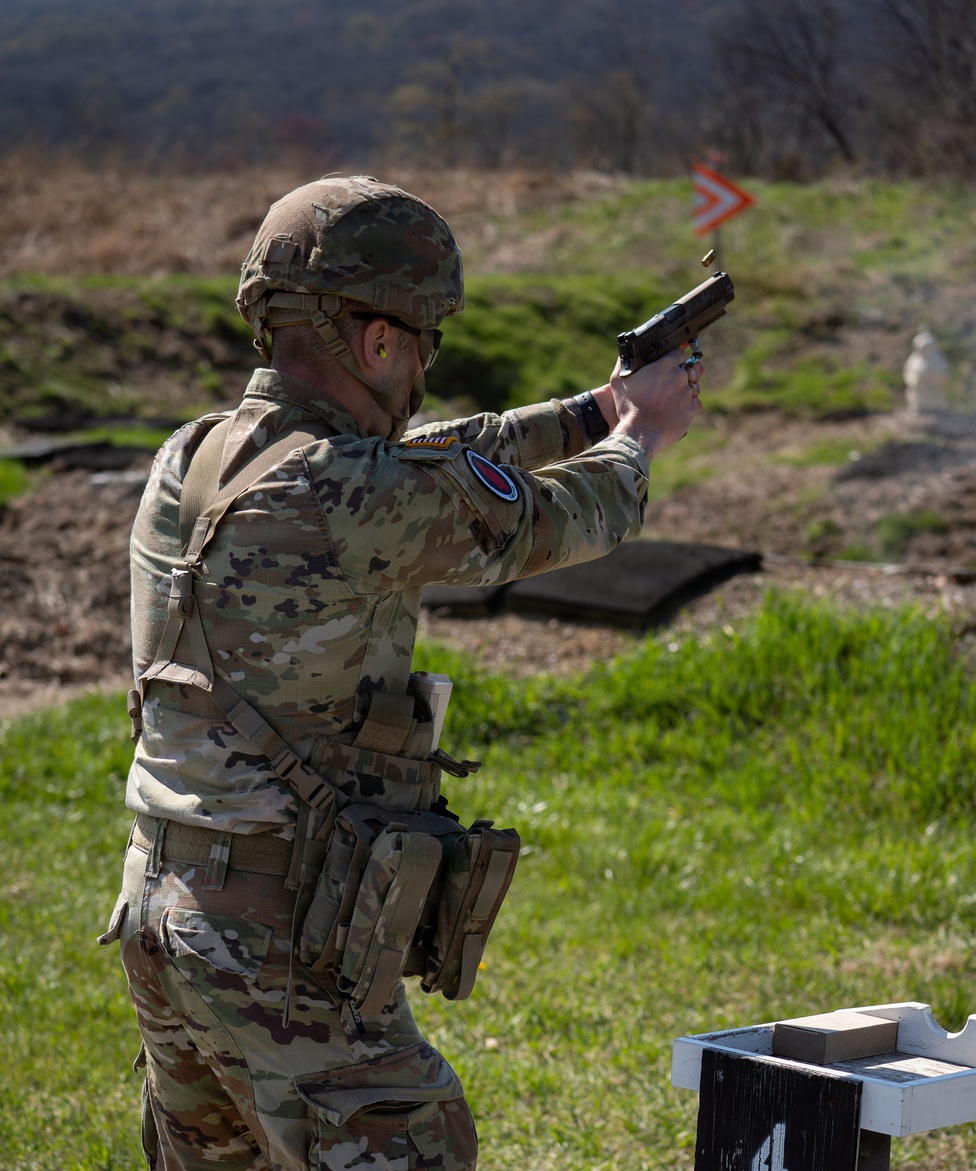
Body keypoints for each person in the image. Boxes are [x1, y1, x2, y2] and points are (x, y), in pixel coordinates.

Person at [100, 174, 702, 1171]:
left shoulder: (194, 455)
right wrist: (641, 438)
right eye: (424, 342)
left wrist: (597, 406)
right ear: (376, 340)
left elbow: (439, 457)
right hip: (274, 941)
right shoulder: (353, 491)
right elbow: (557, 517)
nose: (424, 366)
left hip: (163, 911)